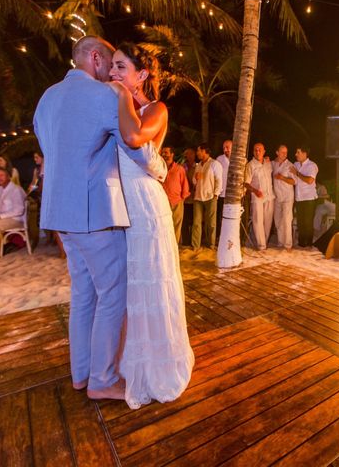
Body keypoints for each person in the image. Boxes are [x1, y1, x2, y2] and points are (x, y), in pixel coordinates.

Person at [34, 35, 165, 401]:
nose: (113, 73)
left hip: (60, 214)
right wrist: (161, 167)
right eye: (110, 64)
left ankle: (81, 373)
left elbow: (52, 149)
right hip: (96, 213)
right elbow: (135, 149)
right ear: (95, 58)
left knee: (83, 295)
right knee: (113, 295)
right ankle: (103, 379)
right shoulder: (105, 95)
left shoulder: (47, 98)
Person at [107, 42, 194, 409]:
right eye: (111, 67)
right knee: (127, 287)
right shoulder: (116, 104)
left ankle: (158, 365)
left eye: (121, 67)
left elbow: (135, 138)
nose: (113, 73)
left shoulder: (155, 109)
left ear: (142, 74)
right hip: (119, 206)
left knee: (151, 281)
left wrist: (118, 94)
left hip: (146, 205)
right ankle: (129, 361)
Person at [192, 143, 222, 250]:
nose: (197, 153)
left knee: (211, 223)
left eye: (198, 150)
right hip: (198, 197)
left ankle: (211, 244)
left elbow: (219, 180)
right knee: (196, 222)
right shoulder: (198, 165)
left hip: (210, 196)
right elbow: (194, 182)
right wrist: (196, 177)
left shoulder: (214, 164)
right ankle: (196, 245)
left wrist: (216, 194)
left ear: (204, 151)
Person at [244, 142, 274, 250]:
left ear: (264, 151)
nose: (257, 152)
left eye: (260, 150)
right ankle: (261, 246)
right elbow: (246, 183)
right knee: (257, 221)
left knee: (268, 222)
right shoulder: (250, 165)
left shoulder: (268, 163)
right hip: (257, 196)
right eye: (255, 150)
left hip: (269, 196)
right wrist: (255, 190)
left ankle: (263, 242)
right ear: (253, 152)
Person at [161, 145, 190, 244]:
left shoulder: (179, 169)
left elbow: (184, 184)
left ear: (172, 154)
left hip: (177, 201)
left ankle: (175, 247)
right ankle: (166, 246)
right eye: (163, 152)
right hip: (162, 201)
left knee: (176, 225)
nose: (163, 154)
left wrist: (182, 198)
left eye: (166, 152)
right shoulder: (159, 168)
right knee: (164, 225)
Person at [290, 146, 318, 247]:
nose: (296, 154)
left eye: (298, 152)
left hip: (309, 198)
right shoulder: (296, 164)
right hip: (298, 197)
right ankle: (302, 243)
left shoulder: (312, 165)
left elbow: (310, 181)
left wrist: (297, 173)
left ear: (305, 153)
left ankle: (309, 243)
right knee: (300, 222)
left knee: (308, 222)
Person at [272, 144, 296, 250]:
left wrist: (282, 178)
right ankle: (280, 242)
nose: (285, 154)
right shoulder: (273, 164)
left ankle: (288, 244)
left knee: (287, 220)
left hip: (287, 197)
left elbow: (294, 181)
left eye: (286, 152)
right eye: (282, 152)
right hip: (276, 196)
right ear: (277, 153)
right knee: (278, 220)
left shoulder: (290, 165)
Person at [215, 139, 232, 238]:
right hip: (222, 193)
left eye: (227, 147)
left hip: (234, 194)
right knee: (221, 216)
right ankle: (220, 237)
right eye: (224, 148)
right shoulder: (219, 159)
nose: (225, 149)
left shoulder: (240, 158)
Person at [181, 146, 197, 246]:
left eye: (190, 154)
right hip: (185, 199)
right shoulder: (182, 167)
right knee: (184, 221)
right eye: (186, 154)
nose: (188, 156)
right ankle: (186, 242)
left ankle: (193, 241)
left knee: (195, 221)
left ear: (194, 155)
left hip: (195, 198)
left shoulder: (198, 166)